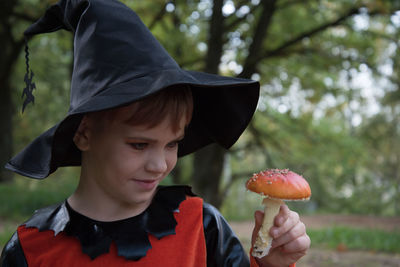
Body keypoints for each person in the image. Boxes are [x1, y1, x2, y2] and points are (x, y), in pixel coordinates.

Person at [1, 0, 310, 266]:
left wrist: (270, 264)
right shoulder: (30, 250)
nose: (160, 165)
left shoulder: (202, 227)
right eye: (139, 144)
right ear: (84, 133)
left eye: (172, 143)